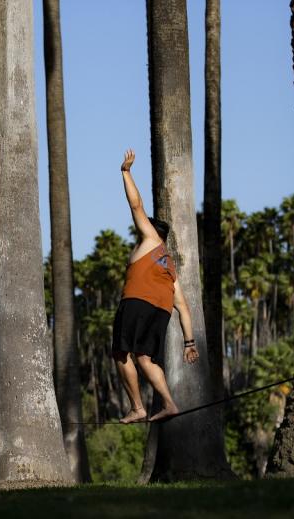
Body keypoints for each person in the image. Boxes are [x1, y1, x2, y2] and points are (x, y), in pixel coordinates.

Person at [112, 149, 199, 424]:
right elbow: (182, 306)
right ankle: (169, 404)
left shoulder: (151, 240)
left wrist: (126, 173)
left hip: (136, 302)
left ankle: (137, 407)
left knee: (120, 352)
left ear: (152, 231)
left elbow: (136, 206)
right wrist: (189, 342)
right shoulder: (169, 268)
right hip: (160, 310)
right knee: (145, 358)